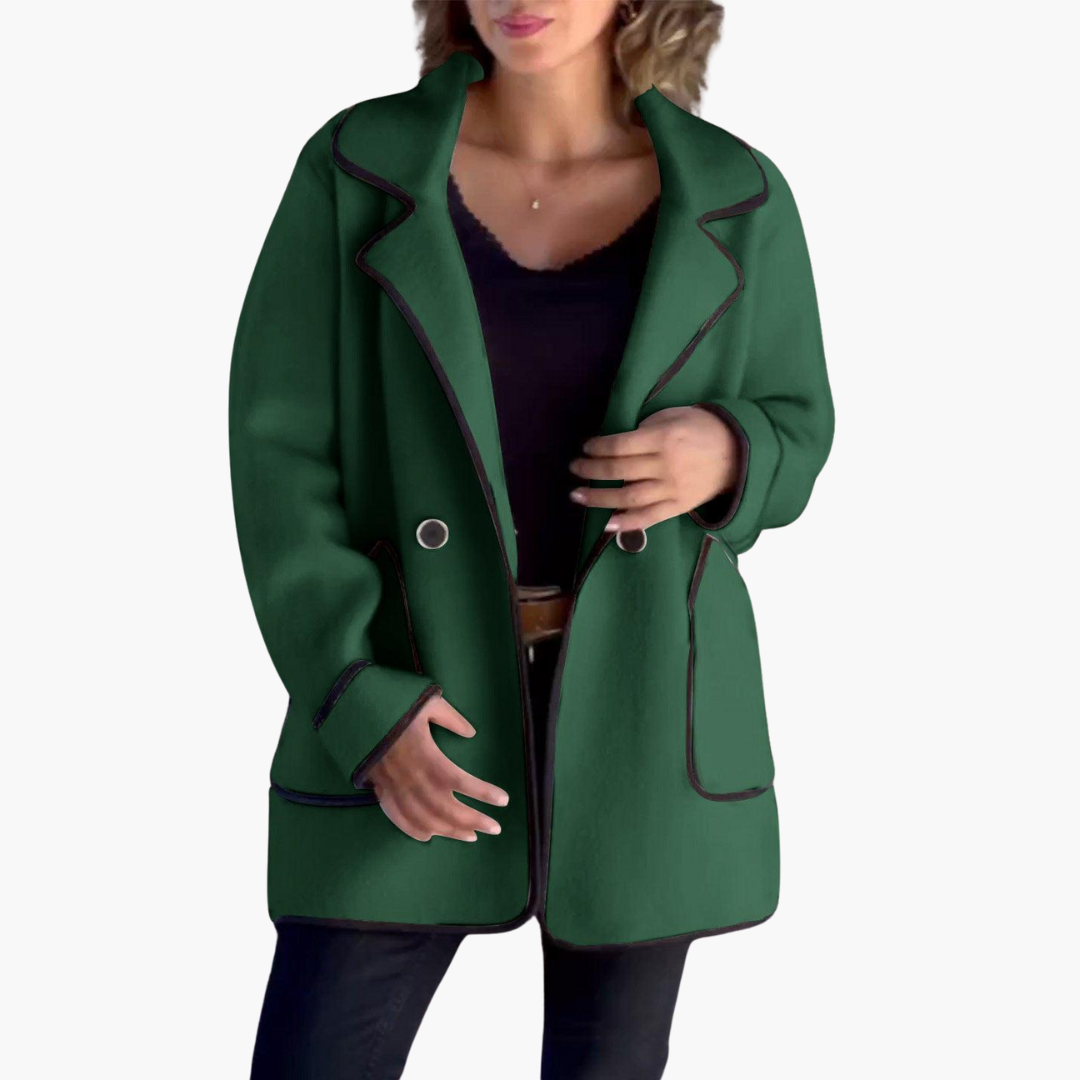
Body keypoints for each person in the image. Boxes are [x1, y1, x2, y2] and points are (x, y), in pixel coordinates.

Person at [229, 2, 834, 1076]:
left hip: (644, 715)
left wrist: (731, 451)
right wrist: (358, 698)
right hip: (416, 701)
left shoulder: (736, 193)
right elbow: (280, 458)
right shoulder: (357, 168)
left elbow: (801, 421)